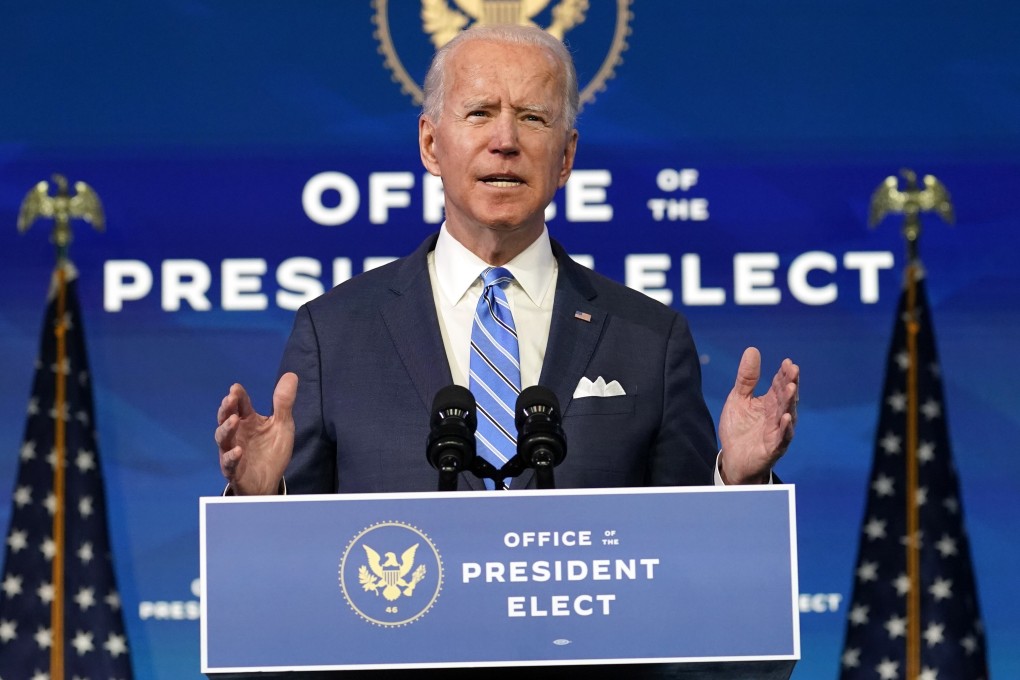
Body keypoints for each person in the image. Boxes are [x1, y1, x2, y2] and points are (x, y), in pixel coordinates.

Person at [215, 24, 799, 496]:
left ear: (566, 156)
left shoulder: (650, 337)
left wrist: (737, 480)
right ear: (429, 144)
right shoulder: (334, 332)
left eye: (533, 117)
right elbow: (295, 571)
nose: (505, 141)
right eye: (479, 113)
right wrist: (259, 500)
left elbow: (687, 555)